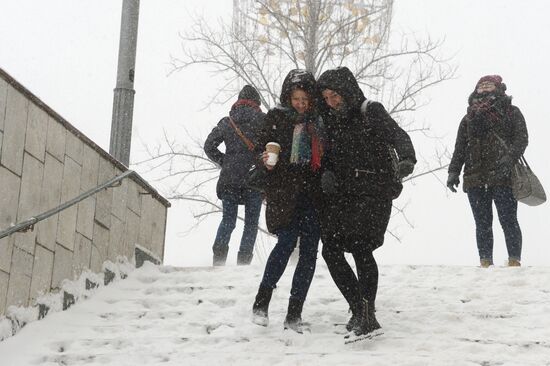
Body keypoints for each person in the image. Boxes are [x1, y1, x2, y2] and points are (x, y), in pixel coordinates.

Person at [317, 66, 416, 338]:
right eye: (326, 97)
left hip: (374, 190)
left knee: (361, 248)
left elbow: (398, 136)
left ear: (346, 91)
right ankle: (358, 309)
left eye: (334, 95)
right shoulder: (331, 119)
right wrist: (326, 171)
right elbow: (329, 153)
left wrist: (407, 158)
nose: (331, 101)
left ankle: (367, 312)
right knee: (331, 250)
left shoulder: (370, 110)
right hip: (343, 194)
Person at [251, 69, 324, 333]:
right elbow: (260, 147)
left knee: (309, 253)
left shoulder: (319, 121)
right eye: (296, 98)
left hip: (313, 196)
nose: (301, 104)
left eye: (305, 99)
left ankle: (294, 312)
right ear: (288, 96)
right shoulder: (277, 117)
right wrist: (265, 160)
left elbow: (328, 156)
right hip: (284, 192)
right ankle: (261, 302)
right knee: (285, 243)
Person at [447, 75, 528, 268]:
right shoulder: (468, 118)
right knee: (482, 224)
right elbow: (460, 148)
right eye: (481, 84)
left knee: (508, 220)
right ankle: (485, 262)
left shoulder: (511, 112)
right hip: (475, 177)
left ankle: (514, 260)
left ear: (498, 87)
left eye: (488, 84)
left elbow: (521, 139)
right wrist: (453, 172)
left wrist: (508, 159)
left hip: (503, 176)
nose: (484, 87)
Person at [204, 85, 266, 266]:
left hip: (230, 179)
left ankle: (218, 260)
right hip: (254, 178)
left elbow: (209, 146)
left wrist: (225, 161)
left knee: (228, 220)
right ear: (257, 102)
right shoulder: (263, 120)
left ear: (238, 101)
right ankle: (243, 263)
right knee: (251, 223)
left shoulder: (227, 121)